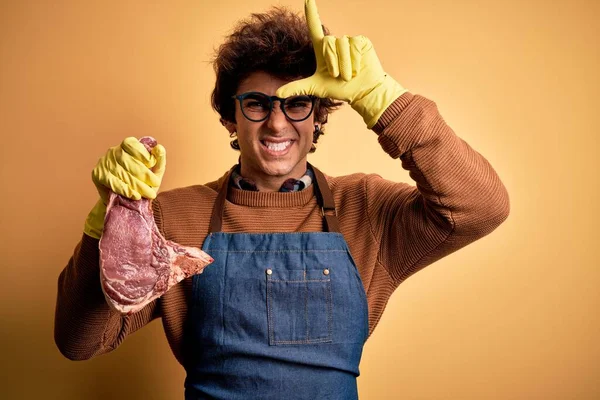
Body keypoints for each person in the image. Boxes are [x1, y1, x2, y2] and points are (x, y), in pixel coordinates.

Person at [54, 0, 510, 398]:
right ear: (230, 117)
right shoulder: (171, 216)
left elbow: (482, 206)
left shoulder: (366, 209)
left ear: (319, 115)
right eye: (256, 103)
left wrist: (382, 98)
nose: (276, 124)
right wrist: (109, 223)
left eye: (297, 103)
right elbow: (79, 342)